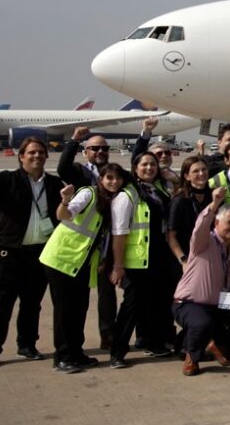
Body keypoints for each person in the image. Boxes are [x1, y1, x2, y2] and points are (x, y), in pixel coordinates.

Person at [0, 137, 64, 369]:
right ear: (21, 156)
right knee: (1, 304)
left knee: (32, 303)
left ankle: (27, 345)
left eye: (40, 152)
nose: (37, 156)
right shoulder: (6, 180)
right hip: (10, 253)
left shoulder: (54, 184)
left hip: (39, 252)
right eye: (31, 152)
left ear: (46, 156)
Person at [172, 188, 230, 376]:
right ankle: (193, 356)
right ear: (217, 222)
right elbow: (200, 225)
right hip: (190, 303)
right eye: (229, 222)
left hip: (220, 302)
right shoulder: (204, 242)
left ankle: (217, 345)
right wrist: (214, 204)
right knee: (202, 323)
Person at [40, 164, 126, 373]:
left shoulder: (112, 202)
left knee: (79, 308)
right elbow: (63, 215)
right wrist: (65, 200)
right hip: (62, 258)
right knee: (64, 310)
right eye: (109, 178)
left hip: (82, 262)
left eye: (118, 178)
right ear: (101, 179)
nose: (114, 182)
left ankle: (76, 353)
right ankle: (62, 357)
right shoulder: (88, 193)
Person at [108, 151, 174, 367]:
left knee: (156, 303)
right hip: (137, 260)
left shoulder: (160, 189)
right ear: (135, 168)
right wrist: (118, 265)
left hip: (159, 256)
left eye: (152, 164)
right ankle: (117, 352)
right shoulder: (127, 194)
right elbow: (119, 233)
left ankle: (153, 343)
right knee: (131, 306)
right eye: (144, 164)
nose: (149, 168)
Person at [55, 128, 119, 350]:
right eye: (95, 148)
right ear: (85, 152)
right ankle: (72, 344)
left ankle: (107, 334)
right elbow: (62, 168)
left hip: (105, 242)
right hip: (82, 245)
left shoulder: (114, 175)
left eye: (104, 148)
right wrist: (74, 140)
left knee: (107, 293)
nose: (100, 151)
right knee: (76, 297)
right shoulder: (78, 172)